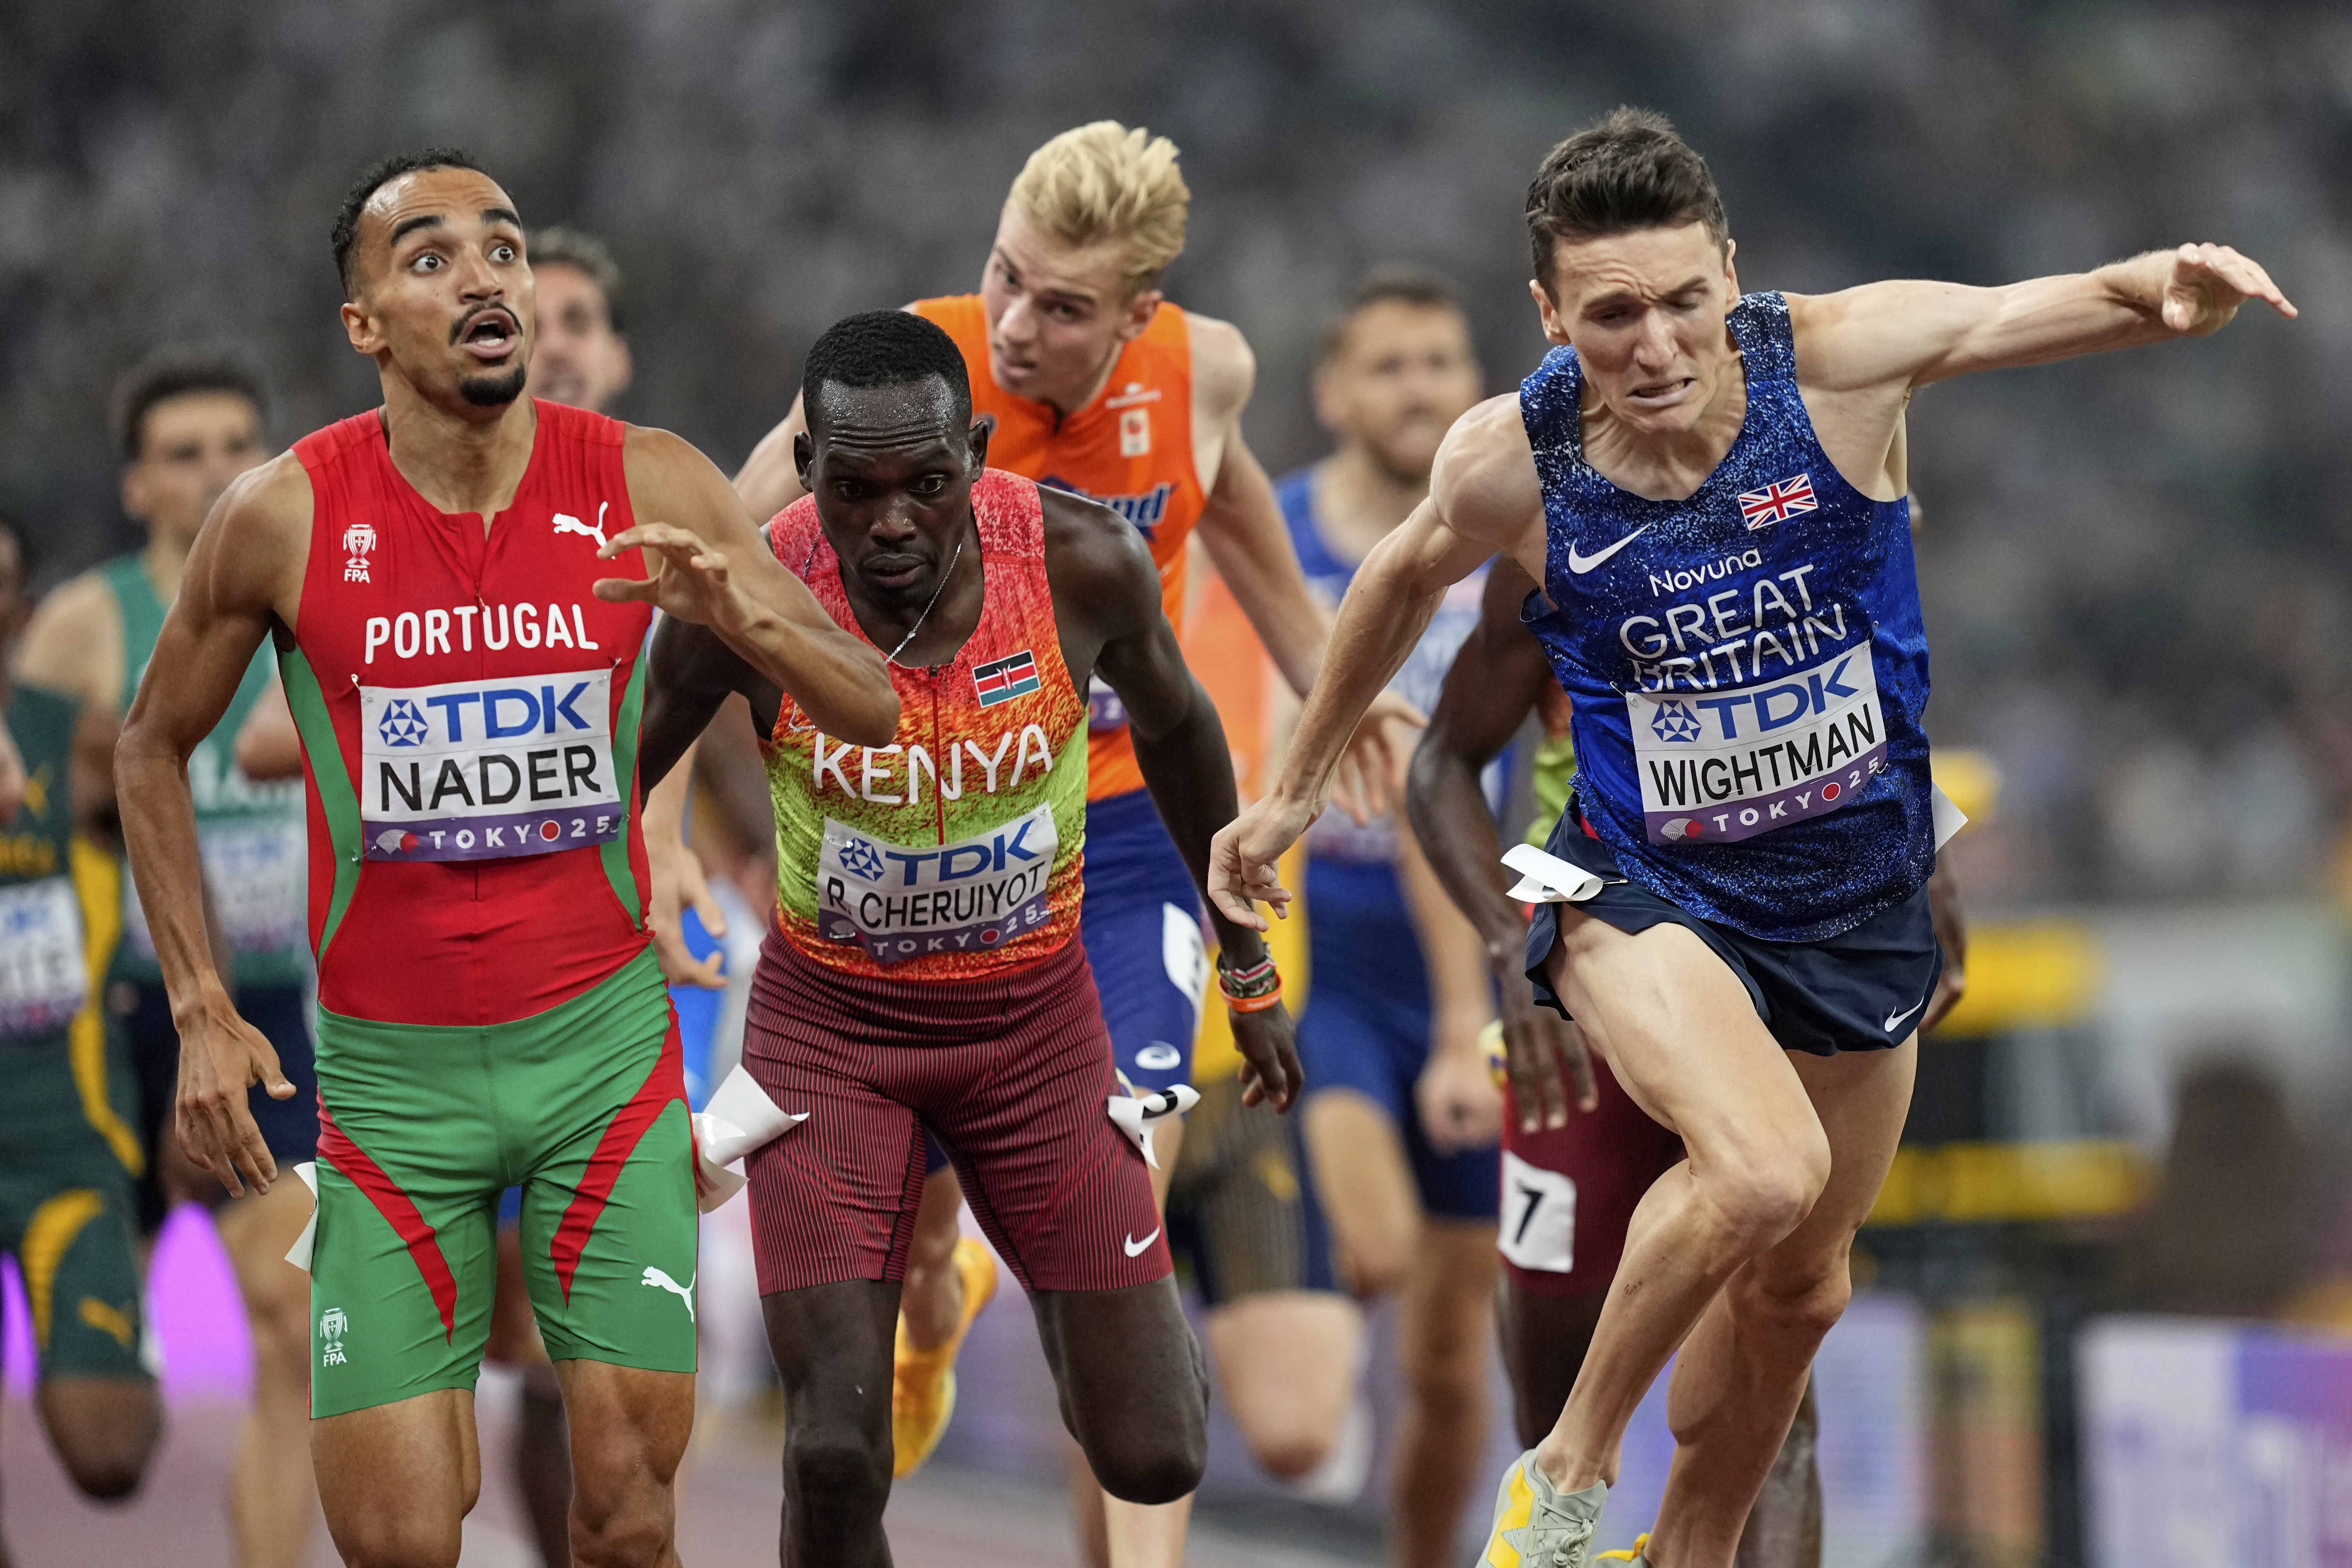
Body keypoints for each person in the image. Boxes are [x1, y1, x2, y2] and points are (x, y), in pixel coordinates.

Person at [1209, 107, 2295, 1568]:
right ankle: (1563, 1483)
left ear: (1730, 271)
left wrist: (2161, 289)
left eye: (1682, 303)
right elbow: (1399, 590)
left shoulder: (1835, 362)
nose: (1653, 347)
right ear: (1546, 313)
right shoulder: (1511, 464)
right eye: (1608, 318)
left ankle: (1690, 1548)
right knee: (1763, 1171)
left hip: (1854, 901)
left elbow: (2009, 314)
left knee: (1805, 1290)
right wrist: (1296, 788)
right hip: (1631, 887)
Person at [111, 147, 897, 1568]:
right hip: (390, 1096)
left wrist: (743, 615)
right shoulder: (282, 514)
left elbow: (873, 699)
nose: (481, 274)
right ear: (364, 324)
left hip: (601, 1059)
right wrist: (199, 1005)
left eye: (504, 247)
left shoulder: (647, 477)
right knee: (401, 1541)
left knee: (626, 1517)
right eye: (429, 256)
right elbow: (148, 747)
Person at [733, 121, 1402, 1559]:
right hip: (910, 840)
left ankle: (1099, 1450)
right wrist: (687, 824)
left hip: (1116, 837)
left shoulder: (1204, 373)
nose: (1019, 328)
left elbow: (1258, 566)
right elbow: (722, 574)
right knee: (911, 1236)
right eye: (1006, 279)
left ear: (1142, 316)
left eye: (1064, 307)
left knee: (1136, 1148)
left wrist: (1352, 705)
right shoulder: (913, 376)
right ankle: (929, 1304)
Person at [639, 308, 1303, 1568]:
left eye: (928, 484)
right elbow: (620, 780)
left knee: (1154, 1452)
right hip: (831, 1040)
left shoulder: (1080, 562)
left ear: (980, 450)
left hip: (1033, 1035)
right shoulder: (751, 596)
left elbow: (1179, 733)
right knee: (835, 1452)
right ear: (807, 464)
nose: (891, 524)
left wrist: (1247, 964)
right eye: (855, 489)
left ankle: (1077, 1288)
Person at [16, 348, 319, 1568]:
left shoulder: (321, 606)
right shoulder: (85, 627)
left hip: (276, 1013)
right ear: (137, 485)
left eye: (237, 444)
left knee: (295, 1324)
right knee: (102, 1417)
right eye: (183, 454)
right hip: (122, 1023)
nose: (214, 473)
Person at [1275, 268, 1509, 1566]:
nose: (1418, 387)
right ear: (1332, 393)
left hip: (1475, 939)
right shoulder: (1284, 538)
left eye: (1438, 360)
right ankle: (1295, 1354)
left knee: (1450, 1354)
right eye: (1388, 366)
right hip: (1333, 944)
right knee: (1373, 1249)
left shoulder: (1513, 528)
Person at [0, 512, 164, 1563]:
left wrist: (203, 1014)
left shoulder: (84, 742)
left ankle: (120, 1334)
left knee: (110, 1457)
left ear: (16, 610)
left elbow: (173, 812)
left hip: (64, 1145)